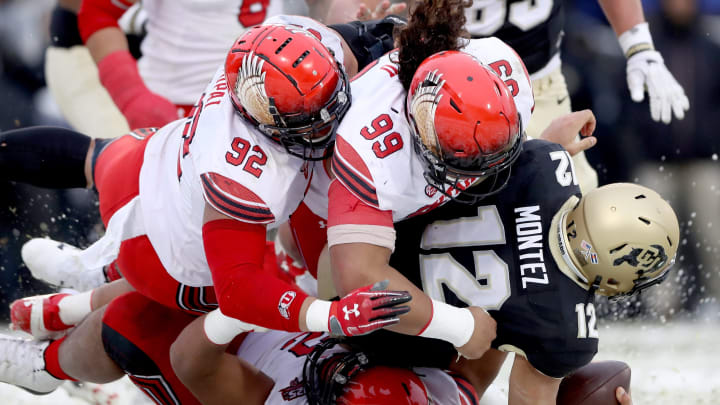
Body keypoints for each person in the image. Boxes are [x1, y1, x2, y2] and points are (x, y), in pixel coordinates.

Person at [0, 18, 414, 398]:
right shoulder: (241, 170)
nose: (325, 125)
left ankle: (69, 301)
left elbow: (363, 37)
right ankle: (48, 361)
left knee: (91, 155)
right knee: (138, 321)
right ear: (262, 121)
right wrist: (331, 315)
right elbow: (238, 292)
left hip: (147, 159)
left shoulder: (290, 50)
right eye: (308, 122)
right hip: (164, 257)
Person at [339, 108, 679, 404]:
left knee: (508, 321)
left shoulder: (547, 166)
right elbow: (529, 398)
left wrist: (546, 145)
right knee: (505, 326)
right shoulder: (566, 328)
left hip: (365, 236)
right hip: (388, 341)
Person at [405, 0, 690, 194]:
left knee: (576, 203)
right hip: (455, 93)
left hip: (539, 83)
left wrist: (639, 46)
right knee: (462, 212)